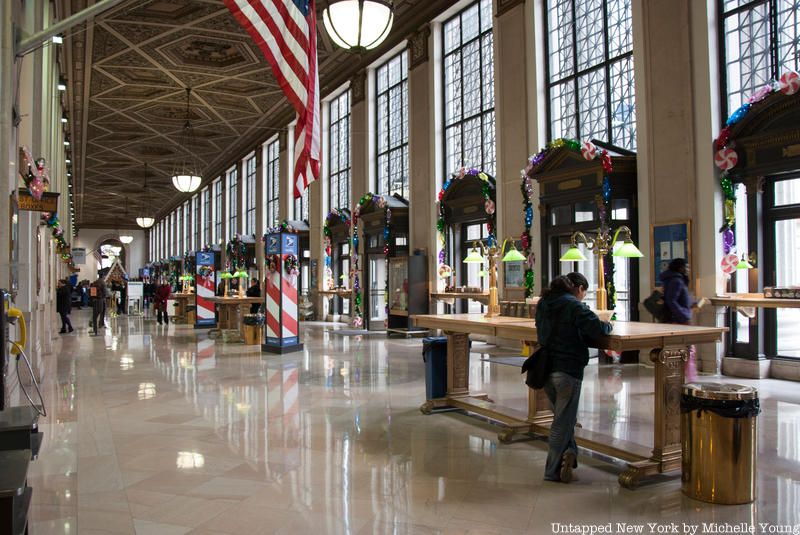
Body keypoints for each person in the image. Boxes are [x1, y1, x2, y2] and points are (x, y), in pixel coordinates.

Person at [535, 272, 613, 483]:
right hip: (568, 369)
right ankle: (551, 471)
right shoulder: (573, 305)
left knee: (564, 418)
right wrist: (608, 324)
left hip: (546, 369)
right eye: (583, 292)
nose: (582, 297)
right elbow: (598, 328)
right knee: (562, 422)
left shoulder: (544, 303)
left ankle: (570, 453)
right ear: (578, 289)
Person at [661, 258, 694, 325]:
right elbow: (671, 300)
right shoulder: (676, 281)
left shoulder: (676, 279)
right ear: (680, 268)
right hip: (677, 319)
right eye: (686, 267)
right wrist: (683, 315)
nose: (688, 270)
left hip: (677, 317)